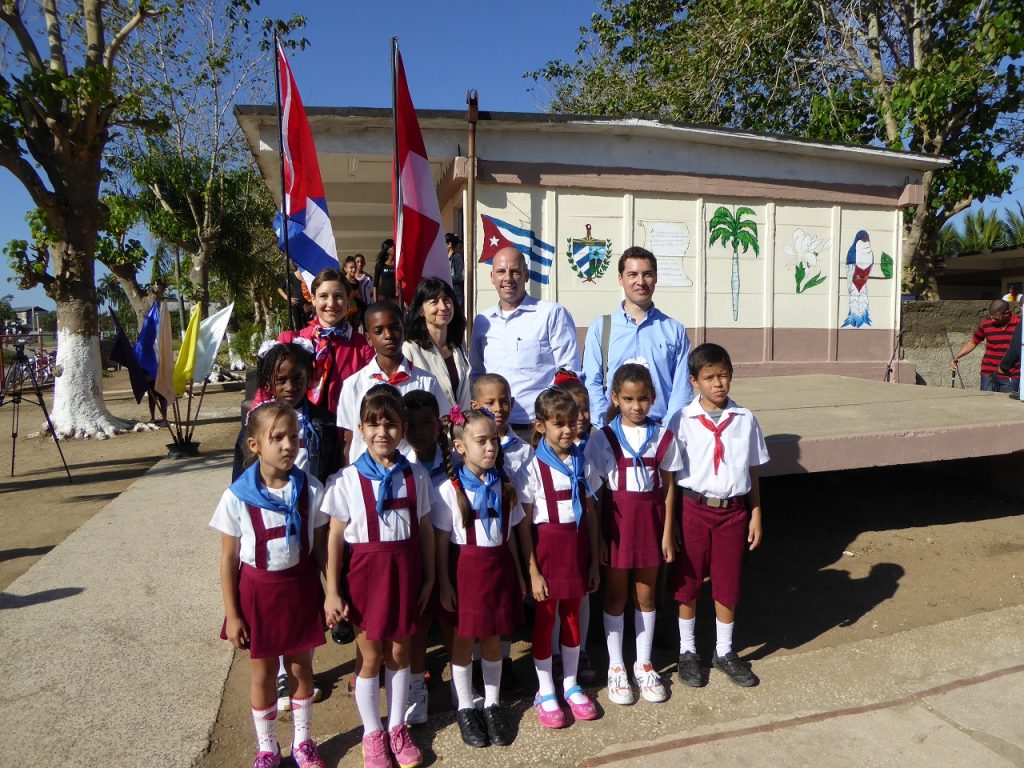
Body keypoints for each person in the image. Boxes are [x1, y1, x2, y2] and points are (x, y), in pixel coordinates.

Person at [211, 402, 329, 768]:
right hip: (258, 593)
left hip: (301, 588)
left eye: (293, 436)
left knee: (300, 668)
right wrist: (233, 614)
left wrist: (332, 593)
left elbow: (323, 549)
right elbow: (229, 560)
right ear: (254, 445)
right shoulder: (236, 497)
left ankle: (303, 742)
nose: (287, 445)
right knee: (262, 672)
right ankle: (267, 748)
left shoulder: (311, 488)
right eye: (276, 437)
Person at [322, 385, 434, 768]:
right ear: (361, 428)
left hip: (405, 573)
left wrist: (431, 577)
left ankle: (397, 727)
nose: (382, 432)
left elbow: (425, 529)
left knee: (400, 653)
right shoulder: (348, 480)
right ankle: (373, 733)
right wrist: (332, 591)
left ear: (402, 429)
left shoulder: (415, 474)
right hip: (366, 577)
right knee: (370, 657)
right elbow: (335, 538)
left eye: (390, 424)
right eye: (373, 424)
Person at [667, 343, 769, 688]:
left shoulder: (745, 419)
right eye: (709, 377)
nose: (718, 384)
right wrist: (670, 524)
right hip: (693, 509)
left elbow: (752, 469)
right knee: (688, 582)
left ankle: (724, 652)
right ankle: (688, 652)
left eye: (723, 375)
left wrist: (756, 514)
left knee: (727, 583)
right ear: (694, 380)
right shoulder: (682, 420)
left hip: (733, 512)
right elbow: (669, 474)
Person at [588, 364, 683, 704]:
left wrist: (668, 531)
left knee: (646, 595)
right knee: (615, 596)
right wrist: (598, 538)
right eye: (628, 399)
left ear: (653, 398)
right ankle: (616, 667)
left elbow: (670, 487)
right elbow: (594, 496)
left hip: (652, 524)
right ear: (615, 398)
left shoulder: (662, 437)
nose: (636, 406)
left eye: (643, 399)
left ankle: (644, 664)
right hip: (616, 525)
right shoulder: (603, 439)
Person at [434, 406, 528, 748]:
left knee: (492, 640)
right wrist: (443, 583)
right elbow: (441, 545)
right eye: (481, 441)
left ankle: (491, 703)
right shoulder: (448, 491)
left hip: (499, 569)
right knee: (463, 643)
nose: (491, 448)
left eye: (494, 441)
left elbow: (511, 536)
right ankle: (465, 707)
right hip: (466, 573)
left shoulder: (505, 488)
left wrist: (519, 574)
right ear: (460, 447)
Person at [520, 388, 601, 729]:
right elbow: (523, 525)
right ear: (540, 426)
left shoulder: (583, 460)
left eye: (571, 423)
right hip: (547, 550)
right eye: (558, 424)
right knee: (545, 620)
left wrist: (595, 560)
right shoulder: (531, 468)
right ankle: (545, 689)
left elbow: (592, 512)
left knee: (571, 617)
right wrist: (532, 571)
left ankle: (570, 683)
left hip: (577, 548)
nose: (567, 430)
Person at [469, 246, 580, 438]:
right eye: (501, 272)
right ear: (492, 277)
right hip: (493, 431)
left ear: (526, 275)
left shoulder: (551, 314)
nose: (508, 278)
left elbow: (569, 373)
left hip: (537, 430)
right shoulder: (482, 321)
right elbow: (477, 375)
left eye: (515, 272)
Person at [582, 247, 693, 426]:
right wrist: (607, 427)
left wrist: (667, 431)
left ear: (656, 278)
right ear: (621, 279)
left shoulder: (675, 330)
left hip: (660, 432)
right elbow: (591, 383)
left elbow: (681, 389)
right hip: (613, 435)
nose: (640, 281)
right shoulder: (600, 328)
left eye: (647, 274)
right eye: (632, 274)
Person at [336, 301, 450, 462]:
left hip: (413, 473)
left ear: (404, 331)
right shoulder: (353, 385)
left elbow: (443, 425)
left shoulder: (426, 381)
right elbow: (348, 439)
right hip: (368, 476)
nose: (388, 335)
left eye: (395, 328)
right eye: (379, 331)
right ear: (369, 338)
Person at [400, 390, 448, 726]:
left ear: (440, 424)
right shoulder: (403, 467)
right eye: (411, 425)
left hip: (451, 555)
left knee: (452, 620)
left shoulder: (457, 462)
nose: (419, 431)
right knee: (418, 627)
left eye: (427, 423)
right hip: (415, 558)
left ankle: (466, 677)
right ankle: (416, 687)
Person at [277, 268, 373, 415]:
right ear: (313, 300)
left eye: (338, 296)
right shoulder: (291, 341)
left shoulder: (363, 347)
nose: (331, 303)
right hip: (299, 432)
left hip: (344, 432)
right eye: (323, 296)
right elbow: (266, 394)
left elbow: (372, 396)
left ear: (348, 300)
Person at [403, 277, 472, 410]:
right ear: (421, 310)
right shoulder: (410, 349)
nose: (443, 307)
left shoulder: (458, 345)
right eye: (434, 302)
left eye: (446, 300)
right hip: (430, 427)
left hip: (462, 428)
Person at [950, 299, 1021, 393]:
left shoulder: (1020, 325)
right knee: (985, 404)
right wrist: (956, 358)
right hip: (988, 374)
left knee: (1007, 406)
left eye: (996, 317)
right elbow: (973, 342)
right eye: (991, 316)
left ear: (1007, 313)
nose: (992, 320)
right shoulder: (985, 325)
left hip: (1011, 375)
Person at [470, 373, 532, 480]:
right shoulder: (468, 446)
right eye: (490, 403)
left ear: (511, 403)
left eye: (504, 402)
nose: (498, 408)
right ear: (475, 406)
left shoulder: (524, 449)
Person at [278, 265, 311, 332]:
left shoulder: (309, 275)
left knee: (310, 326)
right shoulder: (291, 275)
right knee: (298, 327)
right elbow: (280, 288)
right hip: (296, 305)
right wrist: (287, 298)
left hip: (308, 305)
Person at [342, 256, 368, 331]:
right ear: (345, 269)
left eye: (355, 267)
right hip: (347, 310)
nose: (353, 270)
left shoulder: (357, 282)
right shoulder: (343, 281)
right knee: (347, 328)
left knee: (355, 328)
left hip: (357, 309)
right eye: (351, 267)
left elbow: (360, 296)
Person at [373, 238, 399, 304]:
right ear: (387, 250)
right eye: (393, 248)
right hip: (382, 296)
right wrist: (376, 301)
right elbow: (375, 285)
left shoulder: (398, 264)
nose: (395, 250)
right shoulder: (380, 265)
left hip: (394, 297)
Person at [446, 233, 465, 306]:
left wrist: (447, 279)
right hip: (448, 292)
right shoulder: (445, 257)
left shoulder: (457, 257)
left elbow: (460, 276)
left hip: (456, 294)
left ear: (449, 244)